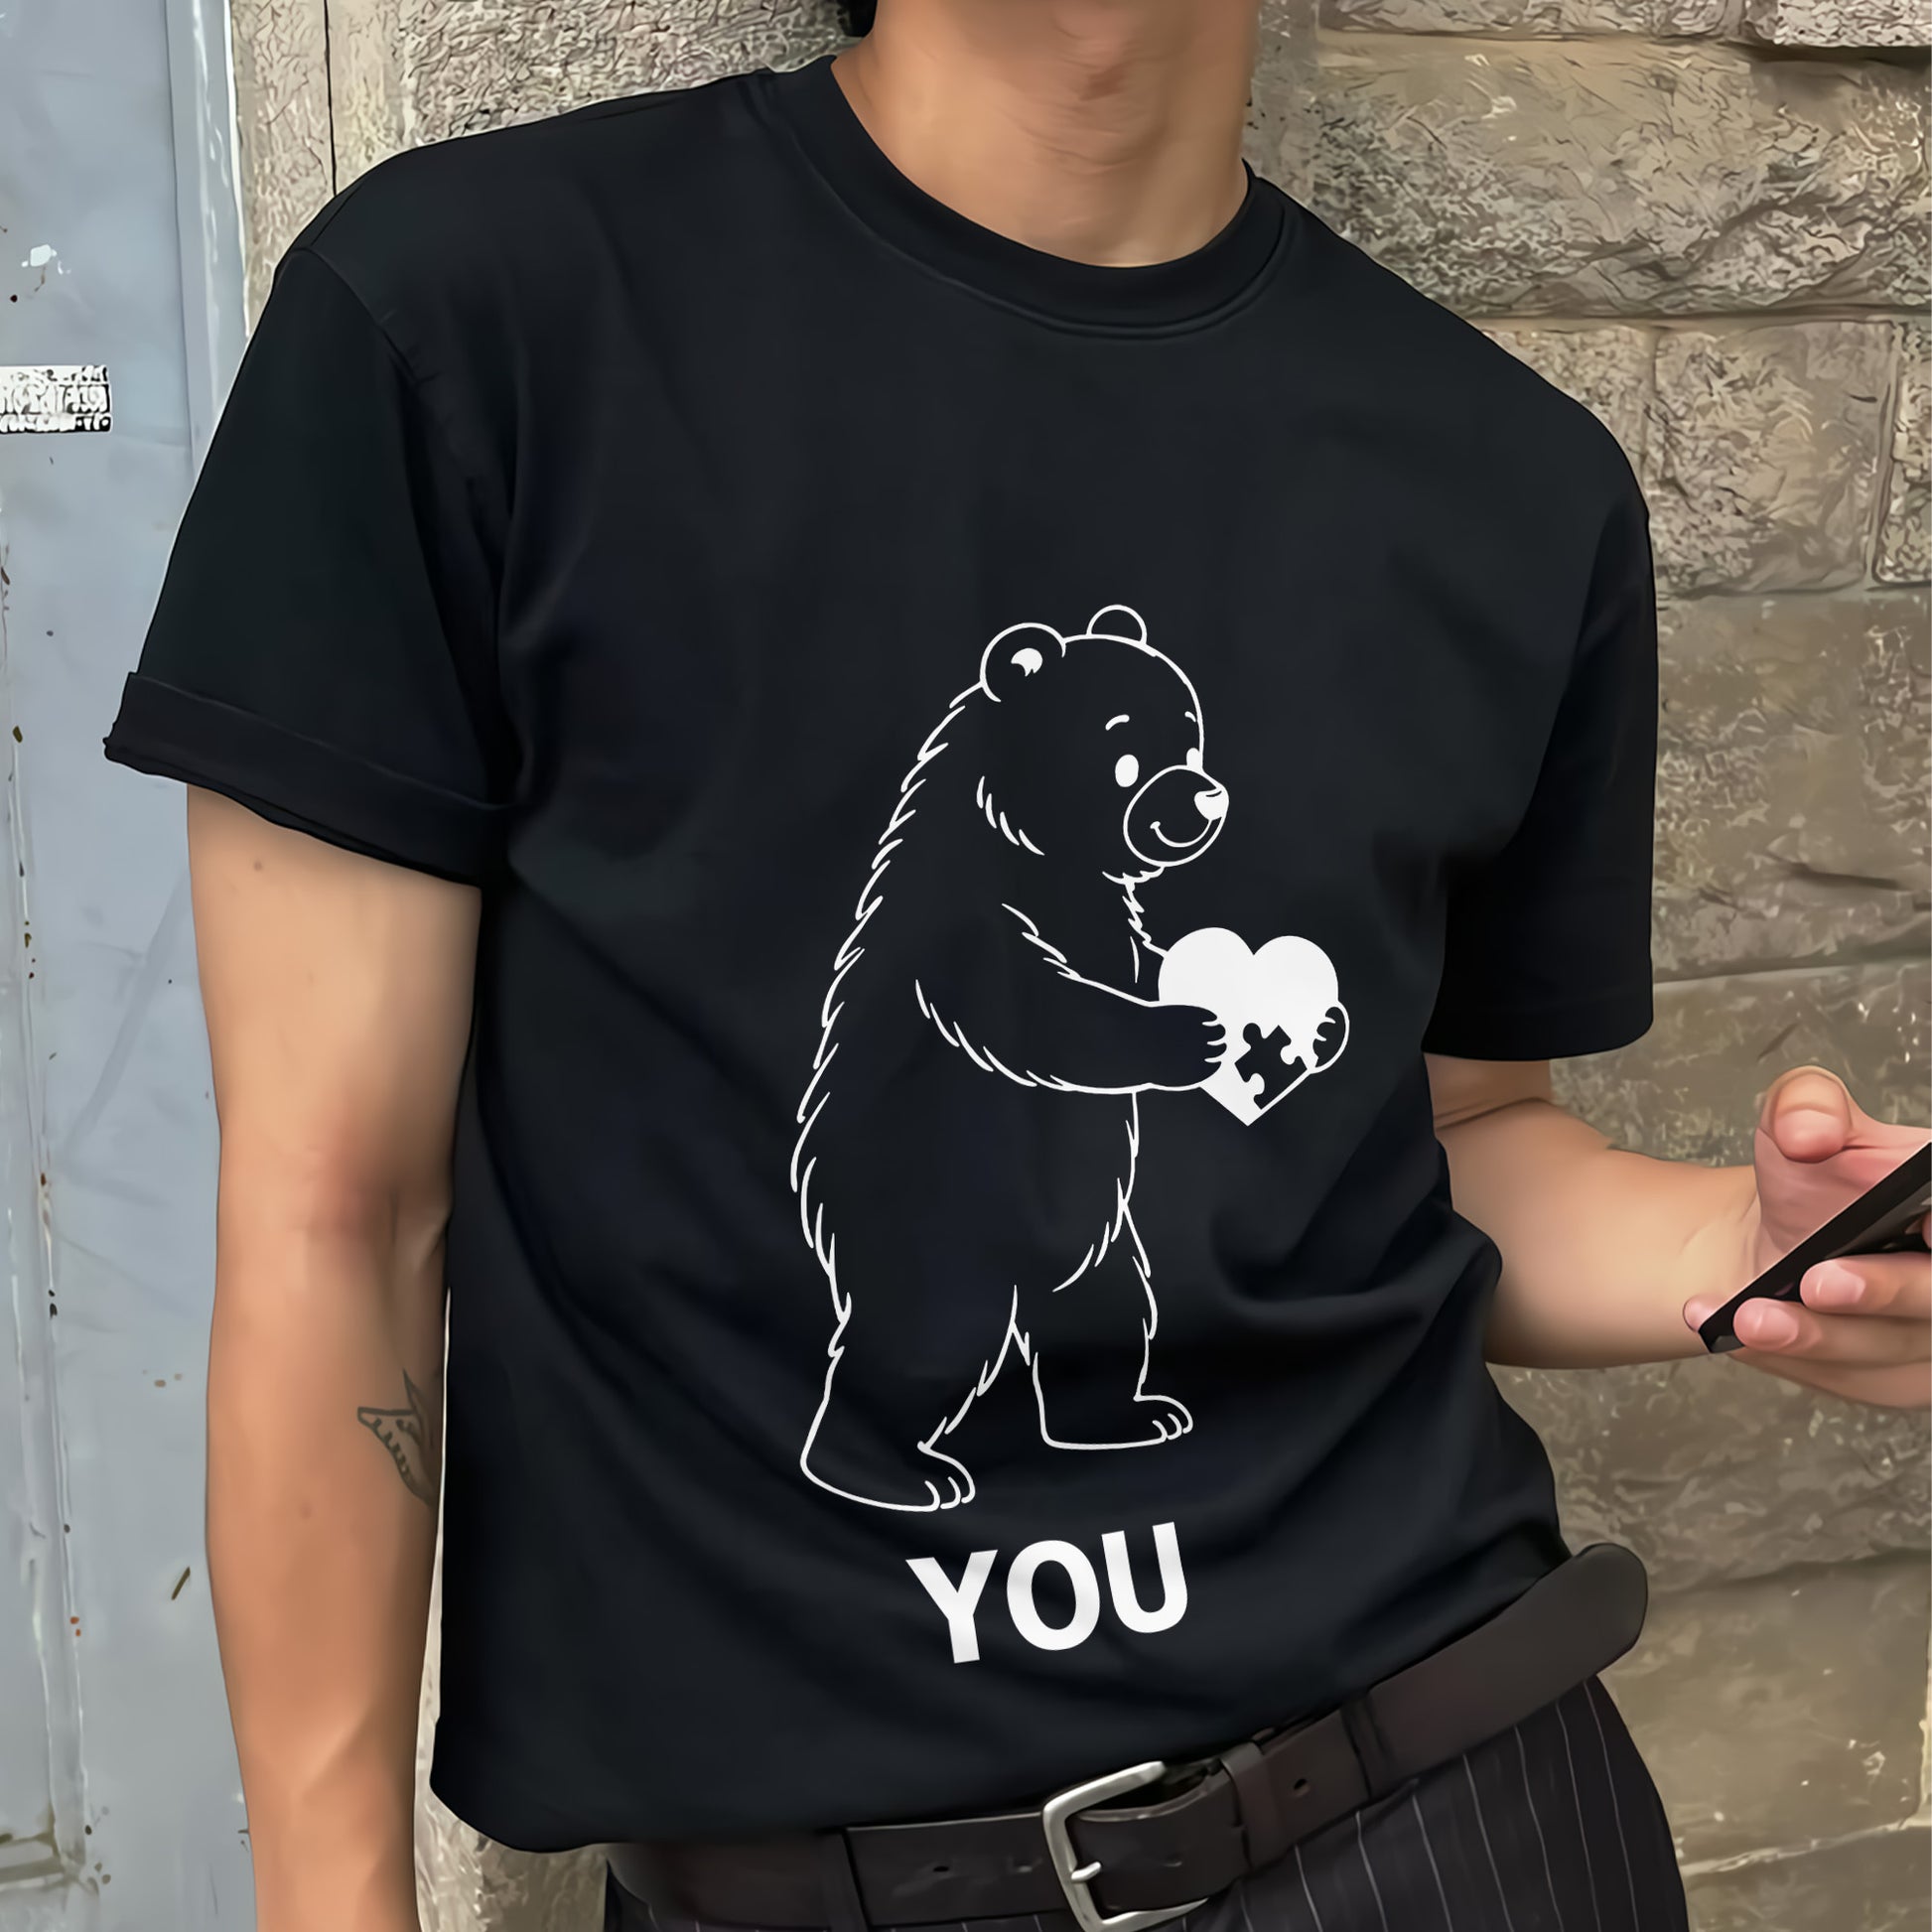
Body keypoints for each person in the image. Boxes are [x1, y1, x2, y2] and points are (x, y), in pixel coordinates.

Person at [102, 1, 1930, 1928]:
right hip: (808, 1878)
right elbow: (336, 1215)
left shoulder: (1504, 480)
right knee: (927, 1294)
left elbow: (1455, 1147)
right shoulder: (473, 321)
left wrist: (1746, 1247)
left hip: (1448, 1812)